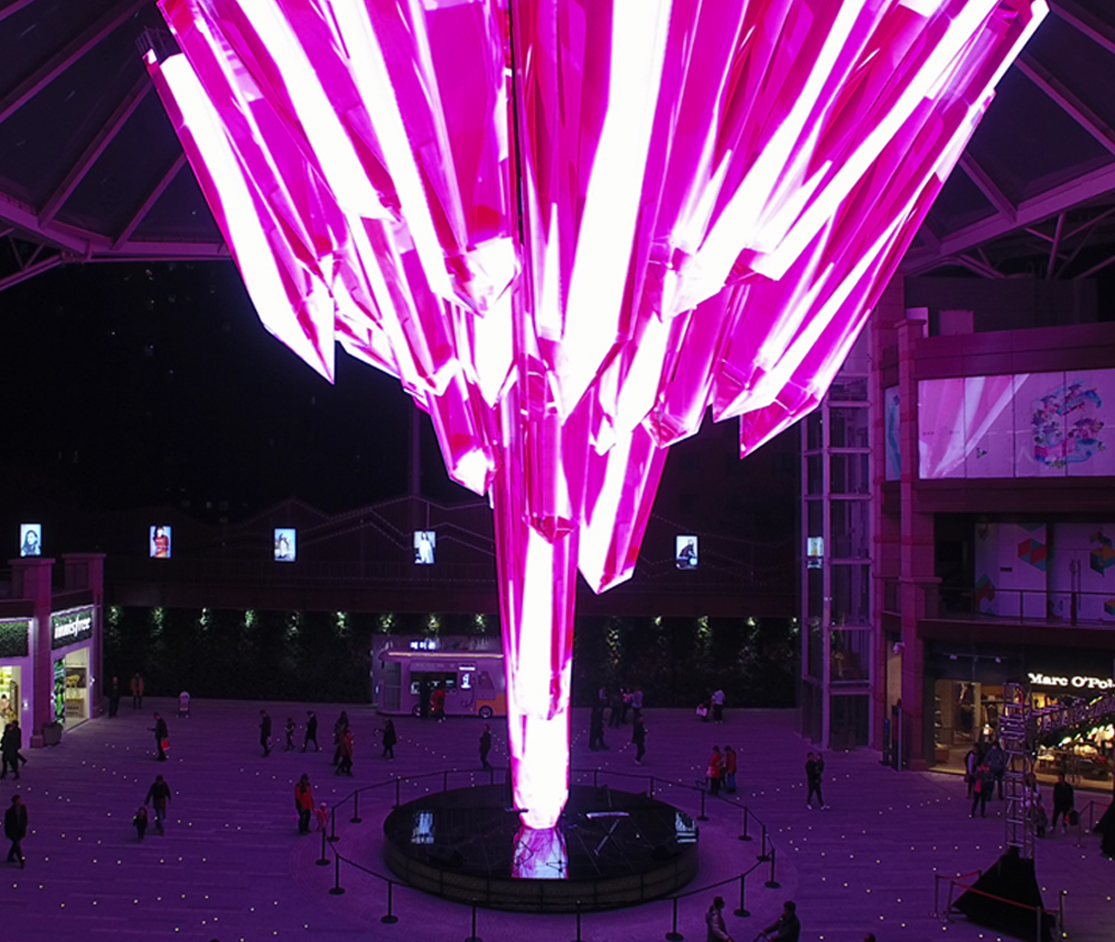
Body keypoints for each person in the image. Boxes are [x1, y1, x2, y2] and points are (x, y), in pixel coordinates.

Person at [5, 795, 27, 867]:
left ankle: (10, 856)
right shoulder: (9, 812)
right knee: (17, 845)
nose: (19, 802)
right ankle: (21, 861)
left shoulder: (23, 809)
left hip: (20, 831)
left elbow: (25, 819)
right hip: (13, 832)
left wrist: (24, 827)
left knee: (15, 844)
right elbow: (7, 824)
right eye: (17, 801)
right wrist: (8, 832)